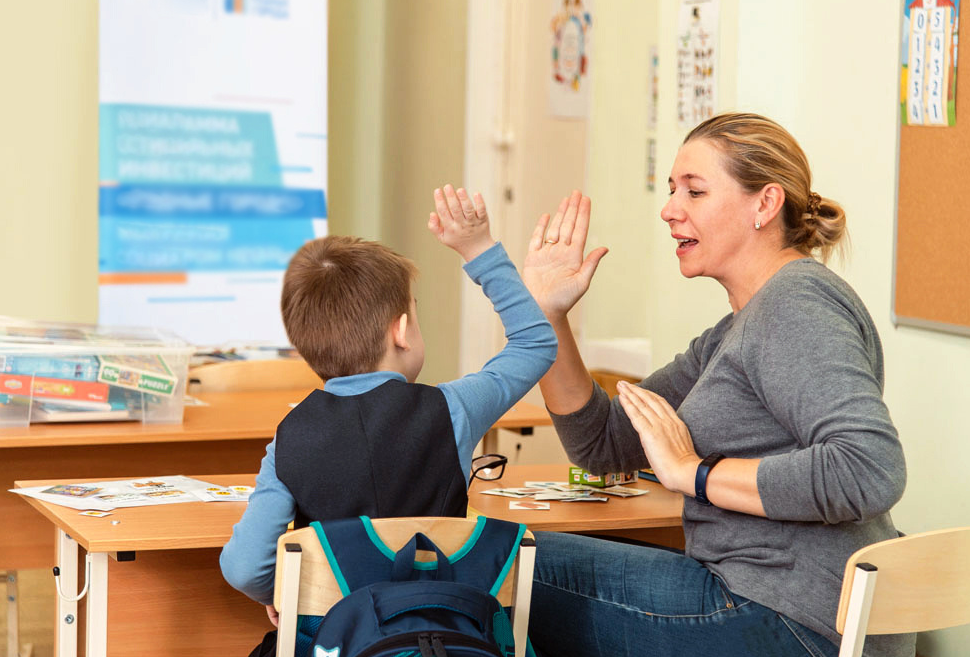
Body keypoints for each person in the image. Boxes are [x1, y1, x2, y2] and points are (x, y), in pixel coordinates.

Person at [521, 113, 911, 657]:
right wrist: (547, 317)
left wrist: (697, 475)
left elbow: (869, 469)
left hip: (795, 623)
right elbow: (605, 442)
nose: (669, 210)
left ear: (765, 204)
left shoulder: (795, 305)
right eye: (671, 190)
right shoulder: (736, 329)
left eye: (695, 191)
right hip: (770, 603)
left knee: (495, 565)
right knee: (506, 560)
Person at [220, 184, 557, 633]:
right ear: (402, 331)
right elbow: (535, 342)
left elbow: (244, 569)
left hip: (339, 639)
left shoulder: (290, 437)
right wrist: (479, 249)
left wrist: (287, 591)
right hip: (449, 631)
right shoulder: (452, 409)